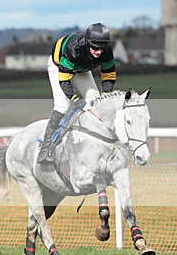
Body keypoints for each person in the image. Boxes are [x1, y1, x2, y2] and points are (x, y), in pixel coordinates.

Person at [36, 22, 117, 164]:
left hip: (82, 69)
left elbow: (109, 76)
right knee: (63, 105)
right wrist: (76, 100)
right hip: (59, 67)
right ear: (87, 43)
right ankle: (45, 148)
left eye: (102, 48)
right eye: (95, 48)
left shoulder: (106, 51)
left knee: (96, 101)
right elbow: (64, 82)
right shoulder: (74, 49)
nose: (98, 52)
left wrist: (106, 97)